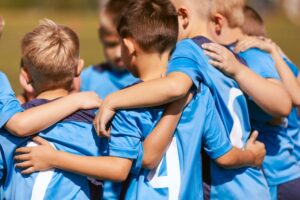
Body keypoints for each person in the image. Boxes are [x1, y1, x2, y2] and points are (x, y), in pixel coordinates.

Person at [15, 1, 265, 199]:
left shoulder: (126, 102)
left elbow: (132, 163)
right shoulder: (201, 95)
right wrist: (252, 157)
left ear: (128, 46)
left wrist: (55, 158)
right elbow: (223, 155)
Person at [202, 1, 300, 199]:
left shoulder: (257, 58)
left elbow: (290, 101)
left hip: (278, 174)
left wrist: (273, 53)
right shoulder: (279, 61)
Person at [0, 19, 103, 200]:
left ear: (26, 76)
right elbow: (118, 168)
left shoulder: (7, 128)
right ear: (78, 68)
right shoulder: (98, 125)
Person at [80, 0, 137, 99]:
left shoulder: (153, 78)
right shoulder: (87, 79)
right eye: (111, 45)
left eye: (125, 45)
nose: (118, 54)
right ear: (101, 35)